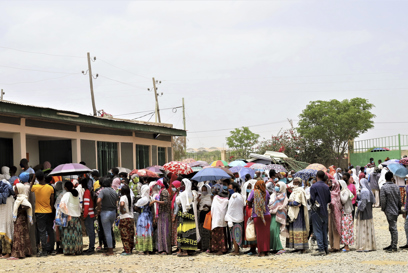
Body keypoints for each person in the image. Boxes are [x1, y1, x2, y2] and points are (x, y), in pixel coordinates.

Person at [30, 170, 55, 257]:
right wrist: (51, 210)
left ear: (37, 178)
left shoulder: (36, 187)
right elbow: (52, 201)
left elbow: (30, 188)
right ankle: (51, 249)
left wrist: (33, 178)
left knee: (42, 232)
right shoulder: (50, 188)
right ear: (44, 177)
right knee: (50, 230)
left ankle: (44, 250)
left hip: (39, 212)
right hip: (49, 211)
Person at [175, 179, 200, 257]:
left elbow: (178, 202)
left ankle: (184, 251)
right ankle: (190, 249)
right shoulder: (192, 194)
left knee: (184, 231)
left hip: (184, 214)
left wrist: (178, 193)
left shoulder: (183, 194)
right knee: (190, 231)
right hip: (191, 214)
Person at [8, 183, 32, 260]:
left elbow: (28, 206)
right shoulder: (20, 197)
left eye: (16, 189)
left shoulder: (21, 198)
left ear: (19, 190)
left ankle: (18, 254)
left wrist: (21, 209)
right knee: (23, 235)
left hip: (20, 219)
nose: (14, 191)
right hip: (22, 219)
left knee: (18, 235)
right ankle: (25, 252)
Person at [247, 180, 271, 257]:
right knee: (266, 234)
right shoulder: (266, 192)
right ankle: (266, 250)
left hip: (257, 215)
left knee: (259, 235)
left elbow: (249, 202)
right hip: (267, 215)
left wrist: (255, 206)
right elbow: (267, 203)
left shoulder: (254, 192)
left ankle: (261, 252)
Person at [310, 170, 331, 256]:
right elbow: (329, 200)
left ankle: (321, 249)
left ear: (317, 176)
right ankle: (325, 248)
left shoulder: (314, 186)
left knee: (317, 230)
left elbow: (312, 199)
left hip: (316, 211)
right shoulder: (326, 187)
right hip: (325, 210)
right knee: (324, 230)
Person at [59, 181, 83, 255]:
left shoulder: (67, 194)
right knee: (76, 234)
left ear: (65, 187)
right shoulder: (76, 194)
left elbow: (62, 205)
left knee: (69, 234)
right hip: (77, 217)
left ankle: (69, 250)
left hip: (69, 217)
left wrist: (65, 212)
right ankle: (77, 250)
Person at [286, 177, 309, 253]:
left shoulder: (300, 191)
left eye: (296, 183)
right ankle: (296, 246)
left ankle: (301, 247)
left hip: (299, 213)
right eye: (294, 182)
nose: (295, 184)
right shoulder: (293, 191)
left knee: (299, 228)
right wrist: (291, 203)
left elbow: (297, 202)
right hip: (293, 212)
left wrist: (289, 203)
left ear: (299, 183)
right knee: (293, 228)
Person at [96, 177, 118, 256]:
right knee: (110, 230)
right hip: (113, 212)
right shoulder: (113, 191)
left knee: (107, 232)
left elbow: (98, 201)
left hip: (105, 212)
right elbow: (116, 201)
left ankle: (110, 251)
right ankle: (110, 248)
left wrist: (99, 208)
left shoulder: (103, 191)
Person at [380, 172, 401, 252]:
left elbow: (383, 200)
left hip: (389, 210)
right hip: (395, 210)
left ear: (385, 178)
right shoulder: (396, 187)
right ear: (392, 177)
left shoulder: (384, 188)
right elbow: (399, 199)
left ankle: (394, 246)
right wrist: (399, 209)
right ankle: (392, 244)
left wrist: (383, 209)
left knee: (393, 228)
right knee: (392, 227)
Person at [355, 178, 376, 252]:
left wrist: (358, 204)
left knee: (363, 229)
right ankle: (370, 245)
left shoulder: (364, 191)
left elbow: (363, 204)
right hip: (369, 212)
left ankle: (364, 246)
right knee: (368, 228)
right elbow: (373, 201)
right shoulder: (369, 190)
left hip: (364, 213)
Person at [225, 182, 245, 256]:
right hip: (239, 217)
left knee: (234, 234)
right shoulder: (240, 196)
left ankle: (236, 251)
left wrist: (227, 216)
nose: (229, 190)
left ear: (234, 189)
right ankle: (237, 249)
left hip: (234, 218)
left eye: (230, 188)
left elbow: (231, 208)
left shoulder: (234, 196)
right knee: (237, 234)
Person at [268, 181, 288, 255]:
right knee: (271, 230)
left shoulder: (282, 195)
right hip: (273, 213)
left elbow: (279, 205)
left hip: (279, 215)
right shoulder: (274, 194)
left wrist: (272, 206)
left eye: (278, 186)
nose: (277, 187)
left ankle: (280, 248)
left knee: (274, 230)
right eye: (276, 186)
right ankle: (274, 247)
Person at [135, 185, 154, 255]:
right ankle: (148, 249)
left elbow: (136, 207)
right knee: (148, 232)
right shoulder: (150, 198)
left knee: (142, 232)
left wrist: (140, 211)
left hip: (143, 217)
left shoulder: (142, 199)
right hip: (149, 216)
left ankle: (143, 249)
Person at [210, 183, 229, 255]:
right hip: (222, 220)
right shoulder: (226, 200)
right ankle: (223, 248)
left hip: (215, 219)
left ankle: (218, 249)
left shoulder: (215, 198)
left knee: (216, 235)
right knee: (222, 235)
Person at [155, 180, 172, 255]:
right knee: (161, 231)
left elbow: (165, 202)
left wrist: (156, 201)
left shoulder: (164, 191)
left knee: (165, 231)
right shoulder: (161, 191)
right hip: (161, 213)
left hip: (164, 213)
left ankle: (166, 249)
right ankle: (161, 248)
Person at [0, 178, 15, 259]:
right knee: (8, 233)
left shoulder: (1, 197)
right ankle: (7, 253)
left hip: (1, 219)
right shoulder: (11, 197)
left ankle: (5, 253)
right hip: (8, 219)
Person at [241, 179, 257, 254]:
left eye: (250, 187)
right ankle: (250, 247)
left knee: (252, 229)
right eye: (248, 187)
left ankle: (253, 248)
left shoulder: (253, 194)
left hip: (251, 212)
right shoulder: (243, 196)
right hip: (245, 213)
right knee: (247, 229)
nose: (249, 188)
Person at [119, 185, 134, 255]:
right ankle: (130, 249)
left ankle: (127, 250)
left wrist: (122, 210)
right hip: (131, 217)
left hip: (124, 217)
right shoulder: (131, 197)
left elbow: (122, 204)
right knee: (130, 233)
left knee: (125, 234)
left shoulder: (123, 197)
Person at [339, 180, 354, 252]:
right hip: (345, 213)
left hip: (346, 213)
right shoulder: (344, 191)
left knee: (346, 229)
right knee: (345, 229)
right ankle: (345, 245)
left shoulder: (345, 192)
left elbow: (344, 200)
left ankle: (347, 246)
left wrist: (339, 194)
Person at [328, 179, 342, 253]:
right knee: (332, 229)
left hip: (334, 213)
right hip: (334, 213)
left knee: (335, 229)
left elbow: (333, 203)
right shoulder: (337, 193)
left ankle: (336, 246)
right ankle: (333, 245)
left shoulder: (334, 193)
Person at [82, 178, 96, 255]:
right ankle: (91, 247)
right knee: (91, 232)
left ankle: (91, 248)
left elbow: (86, 205)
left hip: (88, 214)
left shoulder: (86, 192)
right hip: (91, 213)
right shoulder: (89, 191)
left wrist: (84, 215)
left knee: (90, 232)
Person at [197, 183, 212, 253]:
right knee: (201, 231)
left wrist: (208, 206)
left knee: (208, 232)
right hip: (201, 214)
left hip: (208, 214)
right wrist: (197, 201)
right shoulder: (200, 197)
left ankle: (209, 247)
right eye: (202, 190)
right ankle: (203, 247)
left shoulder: (210, 197)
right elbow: (197, 207)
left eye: (205, 190)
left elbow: (213, 206)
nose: (203, 191)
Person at [171, 180, 182, 249]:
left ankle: (178, 245)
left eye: (173, 186)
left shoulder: (179, 195)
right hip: (174, 213)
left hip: (177, 214)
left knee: (177, 231)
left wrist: (174, 216)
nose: (172, 188)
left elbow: (177, 206)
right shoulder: (175, 194)